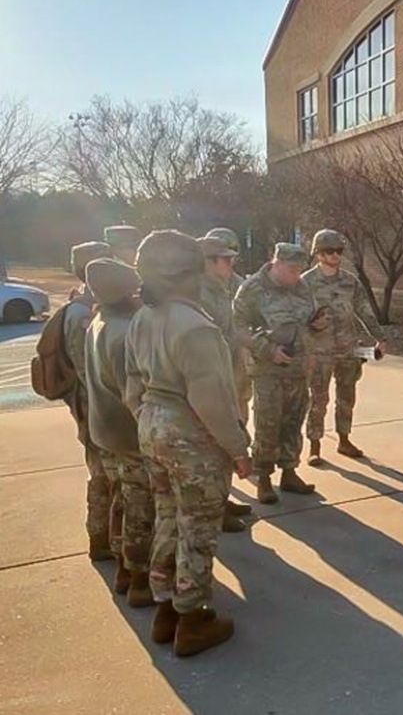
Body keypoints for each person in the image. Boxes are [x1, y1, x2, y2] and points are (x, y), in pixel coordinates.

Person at [125, 230, 252, 656]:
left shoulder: (144, 317)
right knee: (197, 525)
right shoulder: (195, 327)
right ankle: (192, 619)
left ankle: (166, 610)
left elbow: (131, 382)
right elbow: (212, 401)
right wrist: (237, 449)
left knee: (167, 514)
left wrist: (146, 417)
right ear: (190, 272)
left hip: (153, 426)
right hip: (190, 435)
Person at [84, 258, 155, 606]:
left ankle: (124, 569)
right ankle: (140, 578)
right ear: (124, 294)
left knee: (120, 500)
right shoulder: (126, 332)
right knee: (140, 506)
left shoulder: (98, 322)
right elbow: (135, 396)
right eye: (135, 291)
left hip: (104, 432)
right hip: (129, 436)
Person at [234, 242, 323, 503]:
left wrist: (317, 325)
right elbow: (237, 327)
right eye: (292, 269)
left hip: (298, 367)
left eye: (299, 269)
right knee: (268, 423)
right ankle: (263, 479)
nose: (297, 275)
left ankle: (289, 472)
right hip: (268, 369)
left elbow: (308, 318)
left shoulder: (302, 287)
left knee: (293, 421)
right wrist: (267, 349)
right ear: (277, 263)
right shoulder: (252, 289)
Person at [301, 229, 386, 462]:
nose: (335, 255)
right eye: (329, 251)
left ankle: (344, 439)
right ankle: (315, 446)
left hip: (348, 348)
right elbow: (297, 317)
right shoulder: (305, 283)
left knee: (346, 396)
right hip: (319, 351)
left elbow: (364, 311)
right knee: (318, 399)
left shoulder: (350, 281)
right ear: (319, 253)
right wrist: (310, 327)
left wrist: (379, 337)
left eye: (338, 251)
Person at [64, 240, 116, 561]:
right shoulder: (81, 312)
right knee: (101, 474)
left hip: (98, 404)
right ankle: (100, 536)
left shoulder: (90, 304)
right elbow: (86, 370)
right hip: (96, 406)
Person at [198, 235, 254, 533]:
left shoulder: (220, 289)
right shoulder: (198, 294)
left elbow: (234, 331)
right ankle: (213, 508)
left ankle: (222, 498)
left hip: (230, 373)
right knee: (212, 445)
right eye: (225, 259)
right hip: (212, 380)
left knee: (225, 444)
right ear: (207, 263)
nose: (232, 263)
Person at [204, 226, 253, 421]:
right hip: (210, 360)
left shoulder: (242, 286)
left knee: (241, 401)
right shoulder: (195, 289)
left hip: (237, 357)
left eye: (232, 255)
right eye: (225, 257)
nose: (230, 261)